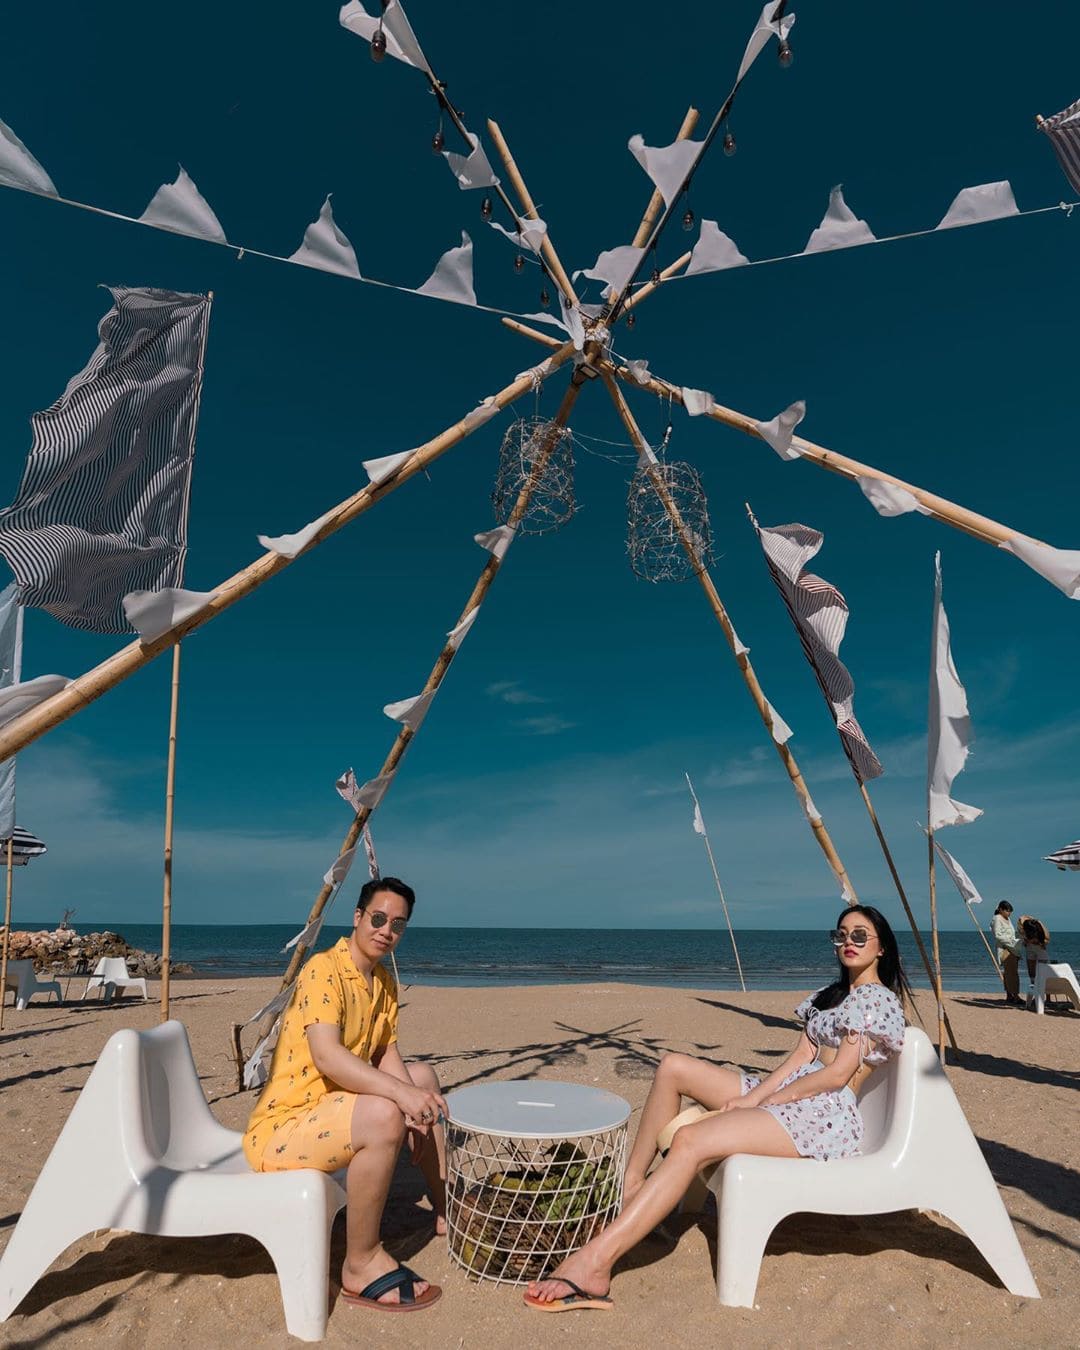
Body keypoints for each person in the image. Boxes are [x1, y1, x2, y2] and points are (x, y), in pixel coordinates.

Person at [524, 905, 909, 1313]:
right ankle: (630, 1191)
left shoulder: (876, 1000)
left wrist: (769, 1101)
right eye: (841, 935)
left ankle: (595, 1265)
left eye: (860, 935)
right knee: (673, 1067)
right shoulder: (831, 996)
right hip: (794, 1095)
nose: (848, 942)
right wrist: (755, 1096)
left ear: (881, 947)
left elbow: (837, 1075)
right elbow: (798, 1059)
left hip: (823, 1115)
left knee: (690, 1139)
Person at [243, 876, 447, 1312]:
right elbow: (328, 1057)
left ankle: (446, 1206)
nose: (386, 931)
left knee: (424, 1080)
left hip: (331, 1109)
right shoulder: (324, 969)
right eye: (378, 919)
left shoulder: (383, 982)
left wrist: (414, 1101)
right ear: (357, 917)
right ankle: (360, 1263)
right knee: (385, 1113)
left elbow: (386, 1053)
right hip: (286, 1125)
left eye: (397, 924)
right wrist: (400, 1100)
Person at [990, 901, 1024, 1006]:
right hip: (1005, 949)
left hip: (1012, 949)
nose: (1008, 913)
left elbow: (1012, 934)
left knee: (1009, 973)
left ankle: (1009, 995)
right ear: (1001, 909)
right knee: (1012, 974)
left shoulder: (1007, 919)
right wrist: (1012, 942)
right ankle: (1016, 996)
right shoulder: (997, 918)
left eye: (1010, 911)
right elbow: (998, 935)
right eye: (1007, 911)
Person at [1019, 915, 1050, 982]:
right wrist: (1027, 941)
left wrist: (1038, 942)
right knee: (1031, 971)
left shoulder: (1040, 928)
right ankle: (1033, 984)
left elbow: (1047, 940)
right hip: (1030, 947)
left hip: (1040, 947)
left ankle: (1043, 984)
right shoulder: (1023, 926)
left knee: (1042, 968)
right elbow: (1021, 919)